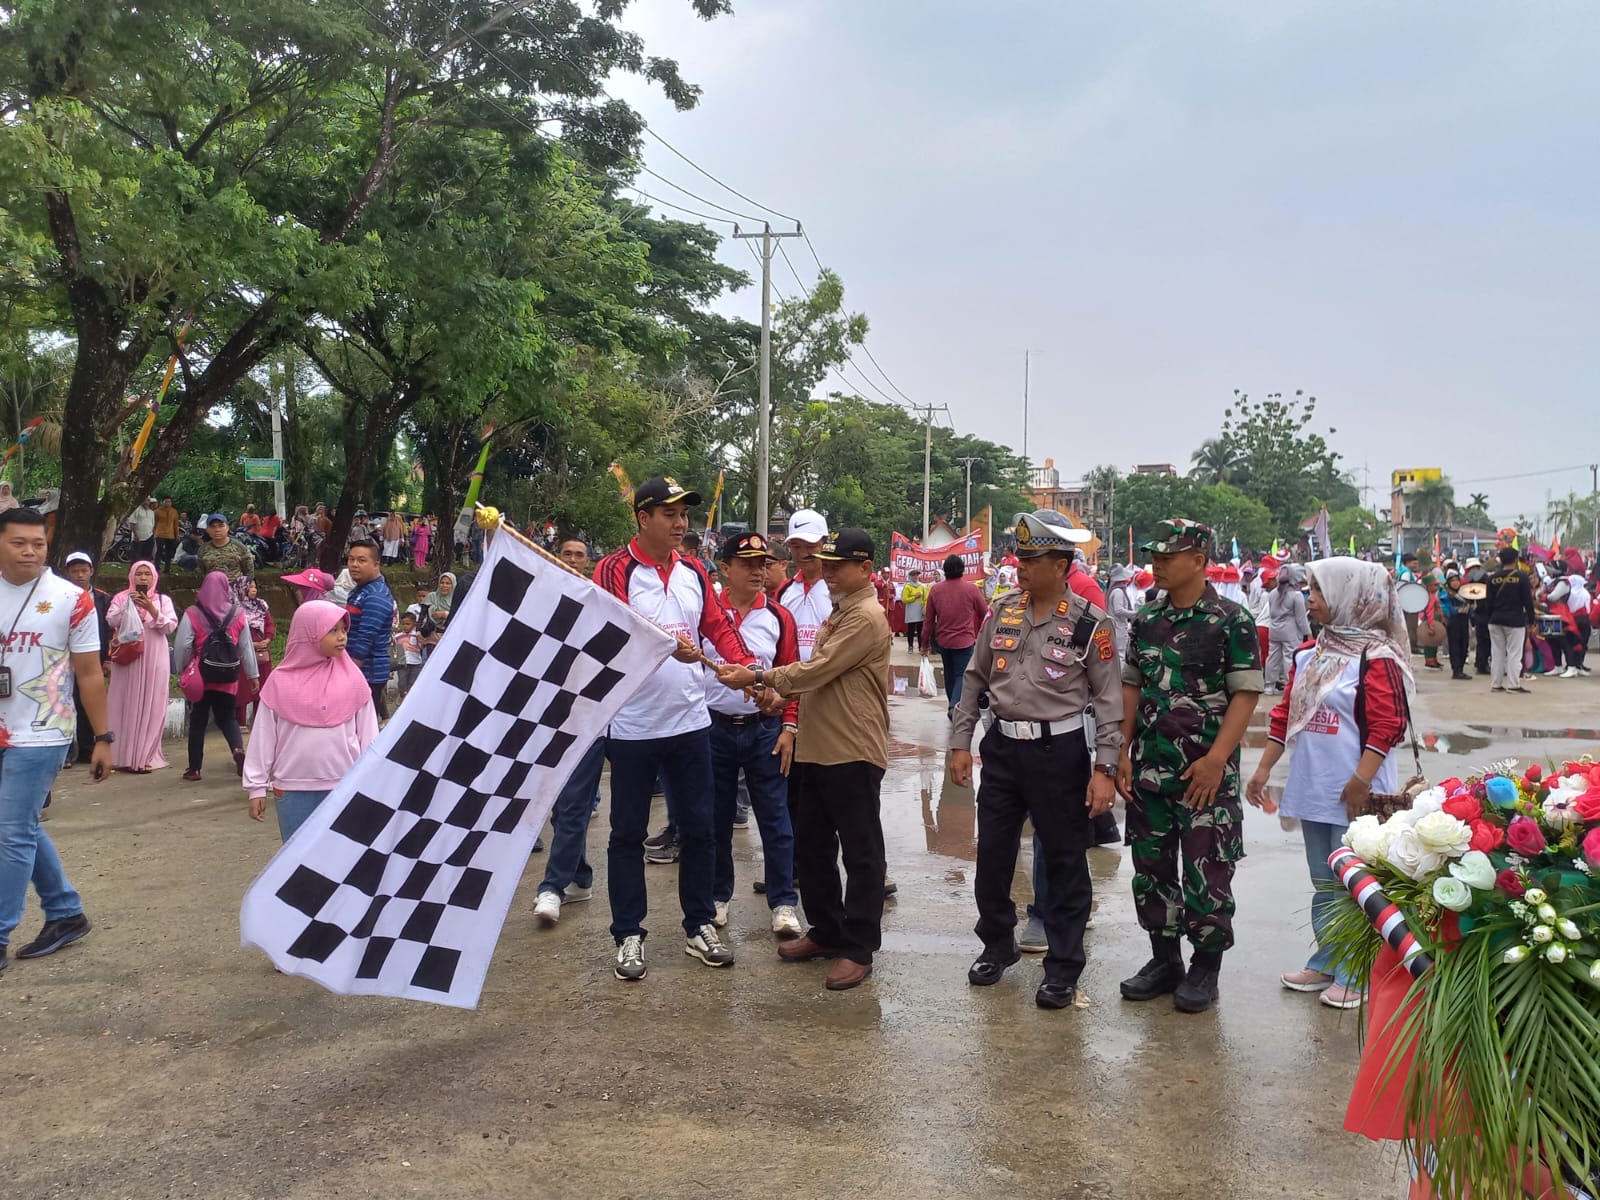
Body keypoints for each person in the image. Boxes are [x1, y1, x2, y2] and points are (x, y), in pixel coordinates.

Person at [948, 512, 1124, 1010]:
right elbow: (975, 679)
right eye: (1020, 557)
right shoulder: (1000, 612)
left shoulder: (1091, 623)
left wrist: (1104, 768)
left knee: (1067, 861)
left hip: (1059, 753)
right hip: (1002, 749)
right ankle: (997, 943)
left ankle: (1063, 966)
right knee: (993, 856)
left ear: (1062, 564)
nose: (1020, 566)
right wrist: (961, 742)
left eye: (1032, 559)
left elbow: (1109, 703)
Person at [592, 476, 755, 981]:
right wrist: (664, 644)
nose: (681, 522)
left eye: (684, 513)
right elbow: (610, 634)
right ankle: (628, 935)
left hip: (689, 722)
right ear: (643, 518)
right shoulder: (613, 569)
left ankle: (699, 925)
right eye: (669, 513)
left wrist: (745, 665)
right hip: (634, 725)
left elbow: (716, 626)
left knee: (701, 829)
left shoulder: (693, 571)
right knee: (626, 834)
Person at [714, 529, 891, 991]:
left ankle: (858, 945)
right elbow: (822, 683)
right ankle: (827, 929)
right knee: (810, 847)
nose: (828, 572)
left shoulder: (866, 616)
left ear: (866, 568)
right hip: (817, 745)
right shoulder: (841, 611)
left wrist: (757, 675)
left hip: (851, 749)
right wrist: (778, 704)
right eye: (825, 564)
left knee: (861, 853)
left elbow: (817, 670)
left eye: (837, 566)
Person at [1246, 559, 1412, 1010]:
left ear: (1349, 595)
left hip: (1359, 791)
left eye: (1318, 591)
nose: (1310, 599)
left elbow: (1388, 725)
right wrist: (1262, 770)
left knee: (1356, 883)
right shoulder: (1310, 653)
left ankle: (1357, 972)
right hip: (1314, 786)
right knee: (1324, 881)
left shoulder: (1377, 657)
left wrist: (1360, 781)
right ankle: (1328, 958)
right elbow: (1285, 715)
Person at [1116, 519, 1263, 1015]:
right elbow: (1131, 686)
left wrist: (1217, 760)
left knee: (1207, 869)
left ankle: (1205, 968)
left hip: (1206, 776)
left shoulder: (1230, 620)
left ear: (1198, 561)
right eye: (1154, 554)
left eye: (1168, 555)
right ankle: (1164, 960)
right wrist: (1121, 751)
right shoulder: (1145, 619)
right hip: (1151, 768)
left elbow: (1246, 694)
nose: (1156, 562)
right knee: (1151, 868)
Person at [0, 508, 114, 974]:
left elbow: (89, 673)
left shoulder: (73, 600)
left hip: (44, 730)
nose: (30, 551)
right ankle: (66, 912)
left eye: (38, 543)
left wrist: (103, 737)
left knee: (9, 833)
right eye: (18, 542)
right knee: (20, 825)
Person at [699, 533, 803, 938]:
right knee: (717, 820)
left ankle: (783, 902)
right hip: (713, 728)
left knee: (775, 819)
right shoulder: (707, 615)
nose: (759, 571)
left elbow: (792, 674)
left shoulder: (778, 616)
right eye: (748, 564)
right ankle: (718, 897)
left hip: (765, 732)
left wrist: (789, 725)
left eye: (763, 564)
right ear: (726, 569)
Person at [244, 601, 379, 842]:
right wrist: (256, 786)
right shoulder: (279, 682)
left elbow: (368, 736)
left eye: (343, 630)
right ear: (308, 633)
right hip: (293, 788)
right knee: (296, 859)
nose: (341, 637)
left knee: (341, 858)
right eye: (332, 630)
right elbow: (263, 738)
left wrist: (371, 780)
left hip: (344, 785)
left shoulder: (353, 681)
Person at [175, 571, 258, 781]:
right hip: (228, 675)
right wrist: (253, 674)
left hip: (201, 677)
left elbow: (184, 645)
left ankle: (194, 769)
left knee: (198, 721)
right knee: (228, 717)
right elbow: (246, 647)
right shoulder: (238, 614)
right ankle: (238, 750)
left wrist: (182, 669)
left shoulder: (193, 613)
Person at [103, 559, 177, 774]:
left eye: (147, 574)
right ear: (131, 576)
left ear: (154, 577)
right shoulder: (121, 597)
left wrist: (152, 609)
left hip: (155, 655)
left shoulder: (163, 600)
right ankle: (122, 755)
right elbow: (111, 620)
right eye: (138, 574)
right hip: (128, 657)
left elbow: (170, 626)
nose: (143, 578)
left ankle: (145, 755)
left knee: (152, 702)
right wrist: (129, 606)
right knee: (124, 701)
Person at [922, 552, 991, 719]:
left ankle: (952, 705)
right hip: (965, 640)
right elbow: (985, 614)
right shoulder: (971, 589)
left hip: (943, 641)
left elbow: (928, 620)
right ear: (962, 570)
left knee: (950, 673)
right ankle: (954, 705)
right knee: (962, 674)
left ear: (945, 570)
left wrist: (924, 643)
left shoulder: (936, 590)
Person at [62, 551, 113, 768]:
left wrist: (108, 659)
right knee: (64, 703)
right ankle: (64, 753)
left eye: (84, 570)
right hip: (64, 660)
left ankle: (86, 749)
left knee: (86, 703)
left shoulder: (102, 598)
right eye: (75, 571)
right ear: (68, 573)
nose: (80, 575)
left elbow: (111, 631)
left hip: (92, 658)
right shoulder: (60, 597)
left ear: (92, 571)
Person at [342, 540, 394, 720]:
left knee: (363, 730)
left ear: (375, 564)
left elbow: (366, 637)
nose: (354, 565)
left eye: (361, 560)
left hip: (367, 673)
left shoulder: (376, 595)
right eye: (351, 559)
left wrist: (350, 671)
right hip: (358, 670)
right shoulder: (359, 590)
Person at [776, 508, 833, 661]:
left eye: (810, 546)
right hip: (789, 679)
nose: (802, 554)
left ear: (824, 544)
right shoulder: (784, 590)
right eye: (796, 547)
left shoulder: (838, 588)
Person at [1485, 546, 1536, 693]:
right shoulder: (1522, 577)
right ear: (1515, 560)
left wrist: (1490, 618)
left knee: (1497, 653)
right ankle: (1513, 685)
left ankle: (1496, 684)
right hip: (1515, 620)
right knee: (1514, 653)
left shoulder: (1492, 578)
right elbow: (1528, 601)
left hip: (1495, 619)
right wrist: (1531, 621)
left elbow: (1488, 602)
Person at [233, 576, 275, 730]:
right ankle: (241, 721)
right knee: (244, 685)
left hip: (262, 650)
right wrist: (249, 644)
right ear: (241, 589)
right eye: (250, 587)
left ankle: (259, 721)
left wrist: (268, 639)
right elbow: (233, 631)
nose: (254, 590)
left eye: (255, 587)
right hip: (243, 651)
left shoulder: (262, 606)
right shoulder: (235, 608)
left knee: (263, 684)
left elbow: (269, 624)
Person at [1266, 564, 1310, 693]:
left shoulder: (1273, 594)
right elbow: (1301, 619)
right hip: (1290, 631)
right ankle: (1288, 686)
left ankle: (1269, 686)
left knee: (1272, 658)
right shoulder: (1296, 596)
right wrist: (1308, 633)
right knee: (1289, 658)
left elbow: (1271, 611)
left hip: (1274, 630)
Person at [196, 513, 255, 580]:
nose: (217, 530)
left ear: (227, 528)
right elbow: (201, 573)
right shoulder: (203, 550)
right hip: (213, 588)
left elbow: (249, 573)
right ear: (207, 530)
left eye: (221, 526)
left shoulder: (240, 548)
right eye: (213, 526)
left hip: (235, 588)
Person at [1442, 561, 1474, 680]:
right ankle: (1456, 670)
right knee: (1454, 645)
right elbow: (1447, 608)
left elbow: (1471, 607)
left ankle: (1461, 669)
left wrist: (1470, 609)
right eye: (1452, 581)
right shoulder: (1446, 594)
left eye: (1457, 580)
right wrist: (1456, 611)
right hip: (1453, 622)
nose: (1455, 583)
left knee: (1464, 644)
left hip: (1464, 620)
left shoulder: (1464, 593)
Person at [1108, 564, 1142, 664]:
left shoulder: (1115, 590)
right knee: (1121, 655)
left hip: (1116, 627)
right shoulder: (1118, 591)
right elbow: (1118, 610)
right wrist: (1135, 614)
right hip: (1118, 627)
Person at [1242, 565, 1271, 668]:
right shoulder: (1266, 595)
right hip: (1260, 621)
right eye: (1245, 574)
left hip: (1257, 620)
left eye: (1249, 574)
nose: (1247, 576)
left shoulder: (1253, 586)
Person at [393, 611, 423, 699]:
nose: (405, 626)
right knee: (402, 682)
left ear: (414, 624)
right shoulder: (397, 636)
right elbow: (394, 650)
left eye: (408, 624)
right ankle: (402, 694)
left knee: (412, 683)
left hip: (416, 663)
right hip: (402, 663)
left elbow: (422, 646)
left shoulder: (417, 635)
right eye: (403, 624)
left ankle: (408, 701)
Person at [900, 568, 930, 652]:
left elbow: (925, 598)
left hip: (920, 610)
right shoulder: (907, 586)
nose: (915, 576)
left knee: (920, 630)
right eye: (913, 575)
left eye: (917, 575)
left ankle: (921, 646)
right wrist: (914, 597)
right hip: (911, 611)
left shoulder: (922, 586)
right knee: (911, 630)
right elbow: (904, 599)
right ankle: (910, 646)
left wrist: (925, 607)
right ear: (910, 576)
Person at [126, 496, 157, 563]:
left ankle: (145, 571)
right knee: (136, 558)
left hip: (149, 536)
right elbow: (132, 523)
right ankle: (134, 572)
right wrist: (135, 534)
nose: (146, 502)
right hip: (138, 537)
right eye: (145, 500)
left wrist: (153, 535)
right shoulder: (136, 510)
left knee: (147, 557)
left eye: (148, 500)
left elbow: (152, 524)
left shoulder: (151, 512)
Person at [153, 497, 181, 570]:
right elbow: (154, 523)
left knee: (169, 552)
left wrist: (177, 535)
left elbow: (176, 524)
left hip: (170, 535)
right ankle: (156, 567)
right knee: (159, 551)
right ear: (162, 502)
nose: (167, 503)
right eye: (166, 501)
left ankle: (167, 568)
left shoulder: (174, 511)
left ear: (171, 503)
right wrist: (153, 532)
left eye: (169, 501)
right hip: (160, 534)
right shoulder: (157, 511)